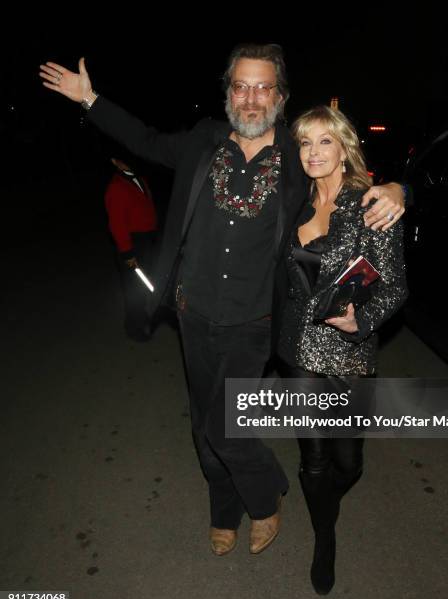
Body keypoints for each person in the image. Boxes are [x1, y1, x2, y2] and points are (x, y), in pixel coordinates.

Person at [39, 43, 407, 557]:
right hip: (193, 313)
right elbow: (143, 139)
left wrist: (399, 188)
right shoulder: (201, 142)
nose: (251, 98)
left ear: (280, 96)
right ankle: (223, 511)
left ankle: (264, 495)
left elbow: (353, 178)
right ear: (228, 92)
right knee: (202, 421)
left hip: (256, 322)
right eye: (241, 86)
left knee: (225, 424)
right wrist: (90, 99)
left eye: (263, 87)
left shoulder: (299, 159)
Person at [277, 105, 408, 594]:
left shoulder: (369, 204)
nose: (313, 153)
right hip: (296, 349)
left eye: (324, 141)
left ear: (343, 146)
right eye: (304, 142)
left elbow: (396, 287)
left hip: (350, 353)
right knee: (313, 458)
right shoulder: (291, 199)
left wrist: (362, 321)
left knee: (348, 463)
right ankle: (324, 536)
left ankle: (323, 505)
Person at [105, 156, 158, 341]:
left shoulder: (140, 178)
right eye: (123, 159)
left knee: (144, 285)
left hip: (146, 240)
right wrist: (127, 253)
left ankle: (143, 318)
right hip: (131, 244)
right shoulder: (116, 187)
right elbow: (116, 225)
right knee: (133, 290)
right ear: (114, 161)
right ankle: (134, 329)